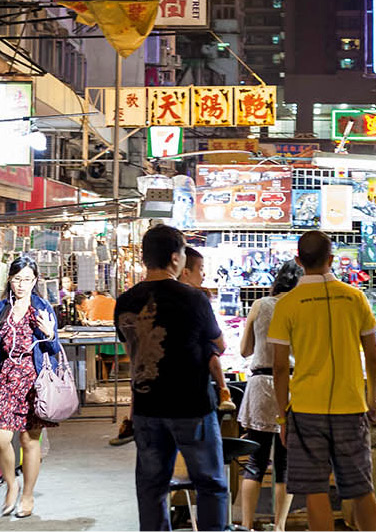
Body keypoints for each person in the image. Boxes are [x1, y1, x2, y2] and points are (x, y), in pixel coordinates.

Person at [269, 230, 376, 532]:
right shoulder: (355, 298)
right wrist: (372, 399)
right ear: (331, 259)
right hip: (350, 406)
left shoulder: (287, 304)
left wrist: (282, 416)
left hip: (306, 409)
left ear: (298, 261)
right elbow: (373, 356)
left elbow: (280, 367)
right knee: (362, 488)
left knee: (315, 491)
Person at [116, 225, 229, 531]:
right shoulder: (193, 299)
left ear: (144, 258)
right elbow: (219, 344)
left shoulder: (125, 302)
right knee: (211, 484)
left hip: (148, 407)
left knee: (152, 488)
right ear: (176, 258)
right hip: (191, 407)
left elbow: (133, 352)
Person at [0, 256, 62, 518]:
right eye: (17, 279)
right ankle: (11, 486)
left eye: (27, 279)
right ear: (10, 280)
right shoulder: (0, 309)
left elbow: (53, 349)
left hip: (33, 380)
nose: (21, 285)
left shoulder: (42, 308)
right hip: (6, 378)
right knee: (0, 436)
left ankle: (27, 496)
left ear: (35, 281)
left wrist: (50, 334)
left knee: (29, 440)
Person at [237, 260, 303, 531]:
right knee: (285, 465)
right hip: (292, 384)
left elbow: (244, 350)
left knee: (256, 460)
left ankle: (247, 525)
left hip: (260, 385)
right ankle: (279, 527)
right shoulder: (302, 307)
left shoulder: (261, 305)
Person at [180, 246, 236, 413]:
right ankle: (223, 389)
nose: (203, 274)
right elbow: (217, 339)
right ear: (185, 272)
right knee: (209, 346)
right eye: (201, 269)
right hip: (197, 366)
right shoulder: (198, 297)